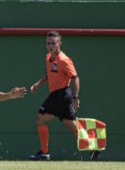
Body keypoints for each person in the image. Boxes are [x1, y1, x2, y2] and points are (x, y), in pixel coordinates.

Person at [29, 31, 99, 161]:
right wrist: (38, 84)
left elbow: (76, 78)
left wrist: (76, 97)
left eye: (54, 43)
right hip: (60, 96)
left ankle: (44, 153)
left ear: (59, 44)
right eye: (48, 43)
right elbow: (48, 75)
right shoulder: (48, 57)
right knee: (72, 127)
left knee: (40, 119)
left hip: (61, 95)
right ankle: (93, 150)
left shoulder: (64, 59)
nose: (50, 46)